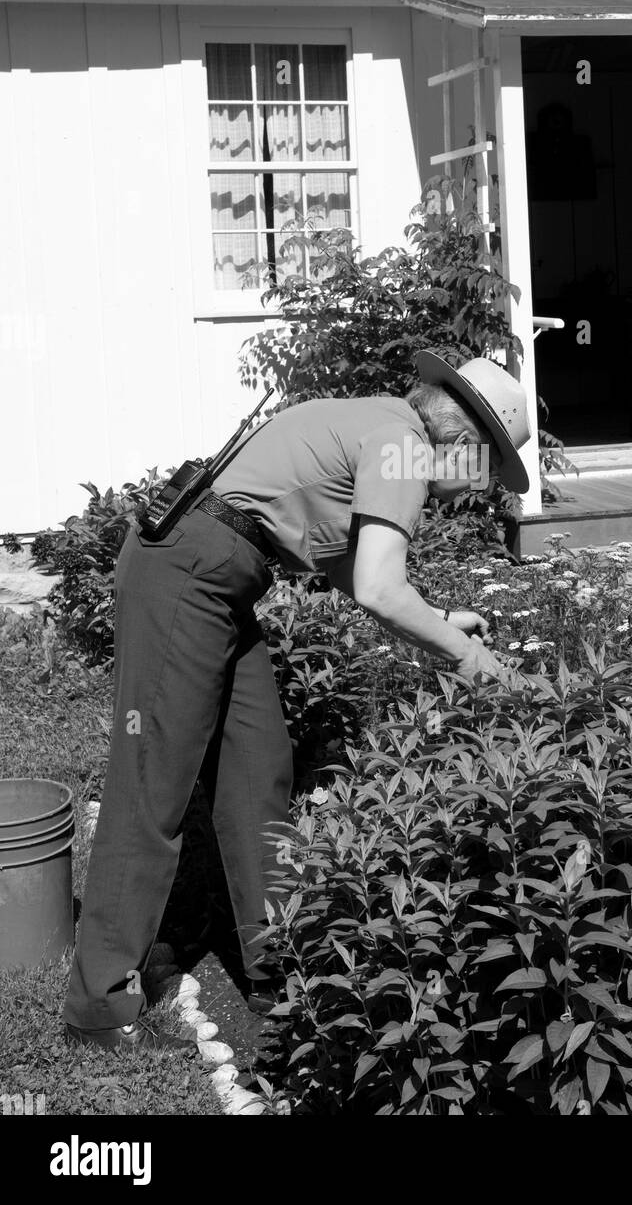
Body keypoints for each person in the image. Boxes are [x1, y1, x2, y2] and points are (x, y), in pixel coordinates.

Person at [63, 350, 531, 1050]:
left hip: (220, 575)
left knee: (258, 769)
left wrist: (436, 619)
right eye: (486, 471)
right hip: (189, 574)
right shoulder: (403, 443)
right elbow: (378, 585)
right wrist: (469, 657)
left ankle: (273, 964)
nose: (478, 492)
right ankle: (97, 1006)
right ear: (462, 444)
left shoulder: (379, 426)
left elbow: (348, 564)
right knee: (151, 784)